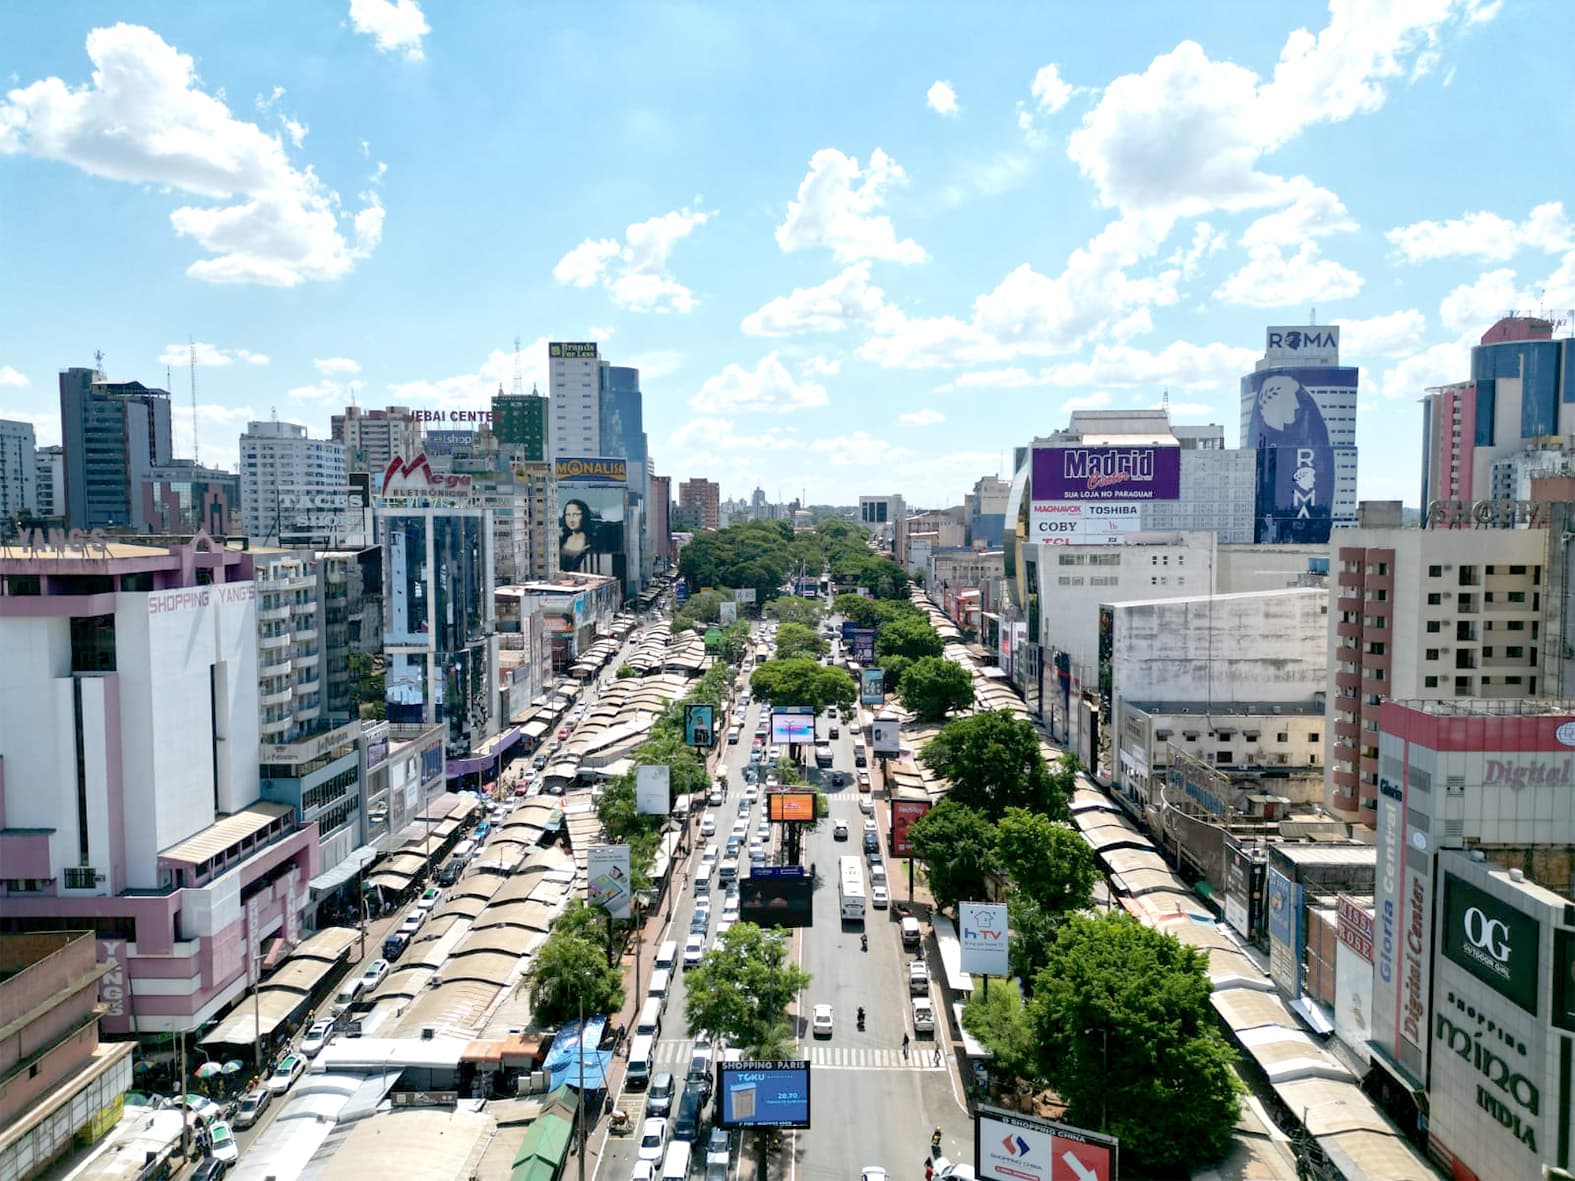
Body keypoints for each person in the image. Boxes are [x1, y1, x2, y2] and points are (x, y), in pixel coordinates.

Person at [558, 498, 601, 572]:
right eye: (568, 515)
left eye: (576, 514)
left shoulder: (593, 542)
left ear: (584, 515)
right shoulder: (561, 540)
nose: (571, 519)